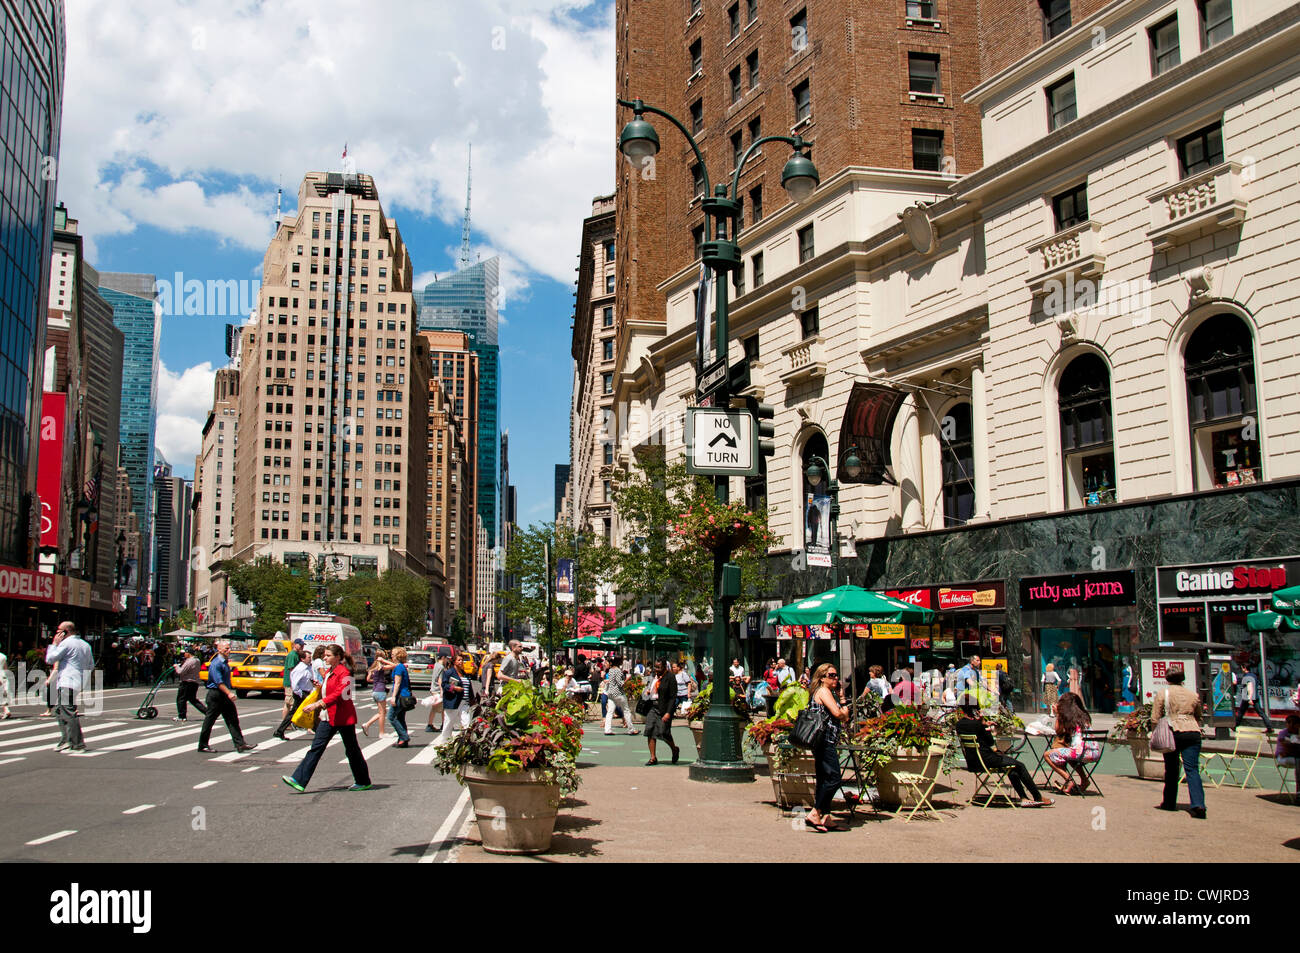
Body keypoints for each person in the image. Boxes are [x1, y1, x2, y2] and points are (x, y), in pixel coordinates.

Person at [281, 644, 372, 793]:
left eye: (328, 655)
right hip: (329, 716)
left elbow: (342, 693)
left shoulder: (344, 672)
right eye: (325, 655)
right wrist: (320, 687)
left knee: (352, 750)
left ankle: (363, 781)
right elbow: (330, 689)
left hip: (343, 717)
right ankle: (299, 779)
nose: (325, 658)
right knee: (316, 747)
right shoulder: (330, 671)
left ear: (337, 657)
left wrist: (319, 703)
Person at [954, 698, 1053, 807]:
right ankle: (1037, 796)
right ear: (975, 709)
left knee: (1012, 768)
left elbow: (977, 734)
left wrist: (982, 725)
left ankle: (1024, 798)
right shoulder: (978, 724)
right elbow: (990, 742)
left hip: (973, 762)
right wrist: (984, 725)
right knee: (1020, 765)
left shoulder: (959, 725)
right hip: (987, 760)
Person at [1151, 668, 1206, 819]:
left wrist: (1155, 732)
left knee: (1171, 769)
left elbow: (1155, 716)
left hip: (1172, 730)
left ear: (1167, 679)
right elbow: (1199, 715)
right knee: (1192, 769)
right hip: (1192, 731)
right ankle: (1198, 804)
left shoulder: (1164, 693)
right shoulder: (1192, 694)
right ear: (1182, 679)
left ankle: (1169, 802)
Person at [805, 662, 851, 832]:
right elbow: (839, 714)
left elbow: (845, 716)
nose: (835, 678)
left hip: (826, 740)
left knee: (824, 778)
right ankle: (816, 812)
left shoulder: (828, 693)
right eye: (831, 675)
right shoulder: (823, 691)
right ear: (822, 677)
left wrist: (842, 698)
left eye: (836, 675)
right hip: (824, 741)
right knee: (834, 778)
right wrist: (842, 712)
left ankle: (825, 816)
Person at [197, 640, 256, 754]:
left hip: (223, 695)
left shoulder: (224, 662)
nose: (229, 650)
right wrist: (229, 693)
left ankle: (240, 744)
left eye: (229, 648)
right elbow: (218, 682)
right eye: (226, 649)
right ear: (219, 649)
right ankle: (203, 745)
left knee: (233, 719)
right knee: (209, 721)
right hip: (216, 695)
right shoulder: (216, 663)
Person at [45, 622, 94, 753]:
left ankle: (77, 744)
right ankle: (66, 740)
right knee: (59, 710)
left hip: (67, 681)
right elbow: (91, 665)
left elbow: (50, 659)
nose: (57, 634)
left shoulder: (66, 643)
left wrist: (54, 644)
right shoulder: (85, 644)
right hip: (78, 681)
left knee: (68, 711)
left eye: (59, 631)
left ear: (66, 631)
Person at [1043, 691, 1100, 794]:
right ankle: (1084, 780)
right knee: (1070, 755)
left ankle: (1068, 780)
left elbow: (1058, 731)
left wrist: (1058, 714)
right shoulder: (1084, 716)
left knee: (1047, 755)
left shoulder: (1068, 718)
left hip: (1081, 753)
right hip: (1094, 752)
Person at [644, 659, 680, 766]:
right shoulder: (653, 676)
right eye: (655, 667)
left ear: (664, 667)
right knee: (650, 730)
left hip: (664, 708)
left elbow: (673, 697)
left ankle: (674, 749)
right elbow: (649, 687)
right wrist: (648, 691)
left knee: (664, 732)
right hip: (653, 706)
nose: (656, 669)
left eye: (659, 667)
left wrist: (668, 712)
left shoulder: (670, 677)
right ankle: (653, 757)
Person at [275, 650, 317, 740]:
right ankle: (316, 729)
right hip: (301, 693)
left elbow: (307, 678)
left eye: (310, 657)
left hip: (306, 692)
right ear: (302, 659)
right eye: (309, 657)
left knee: (295, 712)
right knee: (309, 710)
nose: (310, 659)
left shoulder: (308, 667)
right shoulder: (300, 669)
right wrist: (301, 694)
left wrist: (313, 682)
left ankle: (280, 731)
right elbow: (294, 684)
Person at [438, 649, 474, 745]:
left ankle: (466, 742)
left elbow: (469, 687)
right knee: (449, 723)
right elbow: (444, 685)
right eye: (459, 660)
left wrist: (472, 699)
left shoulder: (464, 673)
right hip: (453, 701)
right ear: (454, 662)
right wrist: (454, 688)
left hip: (464, 702)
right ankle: (444, 742)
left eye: (462, 660)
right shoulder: (449, 672)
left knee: (466, 723)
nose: (461, 662)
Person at [1233, 661, 1274, 734]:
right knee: (1261, 713)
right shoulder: (1253, 675)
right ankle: (1269, 727)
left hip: (1248, 697)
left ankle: (1235, 725)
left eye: (1242, 668)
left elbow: (1250, 687)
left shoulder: (1247, 677)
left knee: (1241, 712)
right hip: (1255, 697)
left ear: (1244, 668)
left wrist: (1250, 698)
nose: (1241, 669)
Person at [361, 649, 393, 737]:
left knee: (382, 712)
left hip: (375, 691)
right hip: (380, 691)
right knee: (382, 713)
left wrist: (376, 681)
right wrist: (384, 661)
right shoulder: (381, 667)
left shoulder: (373, 667)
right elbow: (394, 665)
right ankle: (381, 732)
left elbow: (368, 679)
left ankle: (367, 724)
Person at [602, 657, 638, 735]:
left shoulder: (611, 670)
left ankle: (607, 729)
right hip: (619, 693)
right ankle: (631, 729)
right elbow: (620, 683)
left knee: (610, 711)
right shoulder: (618, 671)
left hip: (610, 693)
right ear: (619, 662)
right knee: (626, 710)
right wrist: (627, 679)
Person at [172, 648, 208, 722]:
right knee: (193, 700)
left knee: (181, 699)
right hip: (194, 682)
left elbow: (180, 671)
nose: (184, 654)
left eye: (185, 653)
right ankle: (207, 712)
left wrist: (176, 666)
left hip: (187, 682)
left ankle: (182, 716)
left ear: (189, 653)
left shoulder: (189, 661)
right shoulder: (197, 660)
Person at [388, 647, 414, 748]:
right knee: (400, 717)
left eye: (393, 655)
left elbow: (397, 683)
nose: (391, 656)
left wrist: (393, 697)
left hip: (400, 695)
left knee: (391, 716)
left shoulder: (399, 667)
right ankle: (402, 740)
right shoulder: (402, 666)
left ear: (398, 656)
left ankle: (404, 737)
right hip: (405, 695)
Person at [278, 638, 304, 728]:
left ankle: (286, 723)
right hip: (291, 682)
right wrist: (295, 683)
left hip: (292, 682)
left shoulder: (296, 654)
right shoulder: (292, 655)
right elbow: (292, 669)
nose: (302, 647)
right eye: (300, 645)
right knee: (291, 703)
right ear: (295, 645)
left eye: (303, 645)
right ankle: (286, 723)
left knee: (289, 703)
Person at [0, 647, 11, 719]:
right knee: (4, 694)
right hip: (3, 675)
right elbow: (5, 668)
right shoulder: (3, 656)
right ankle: (6, 710)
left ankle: (6, 710)